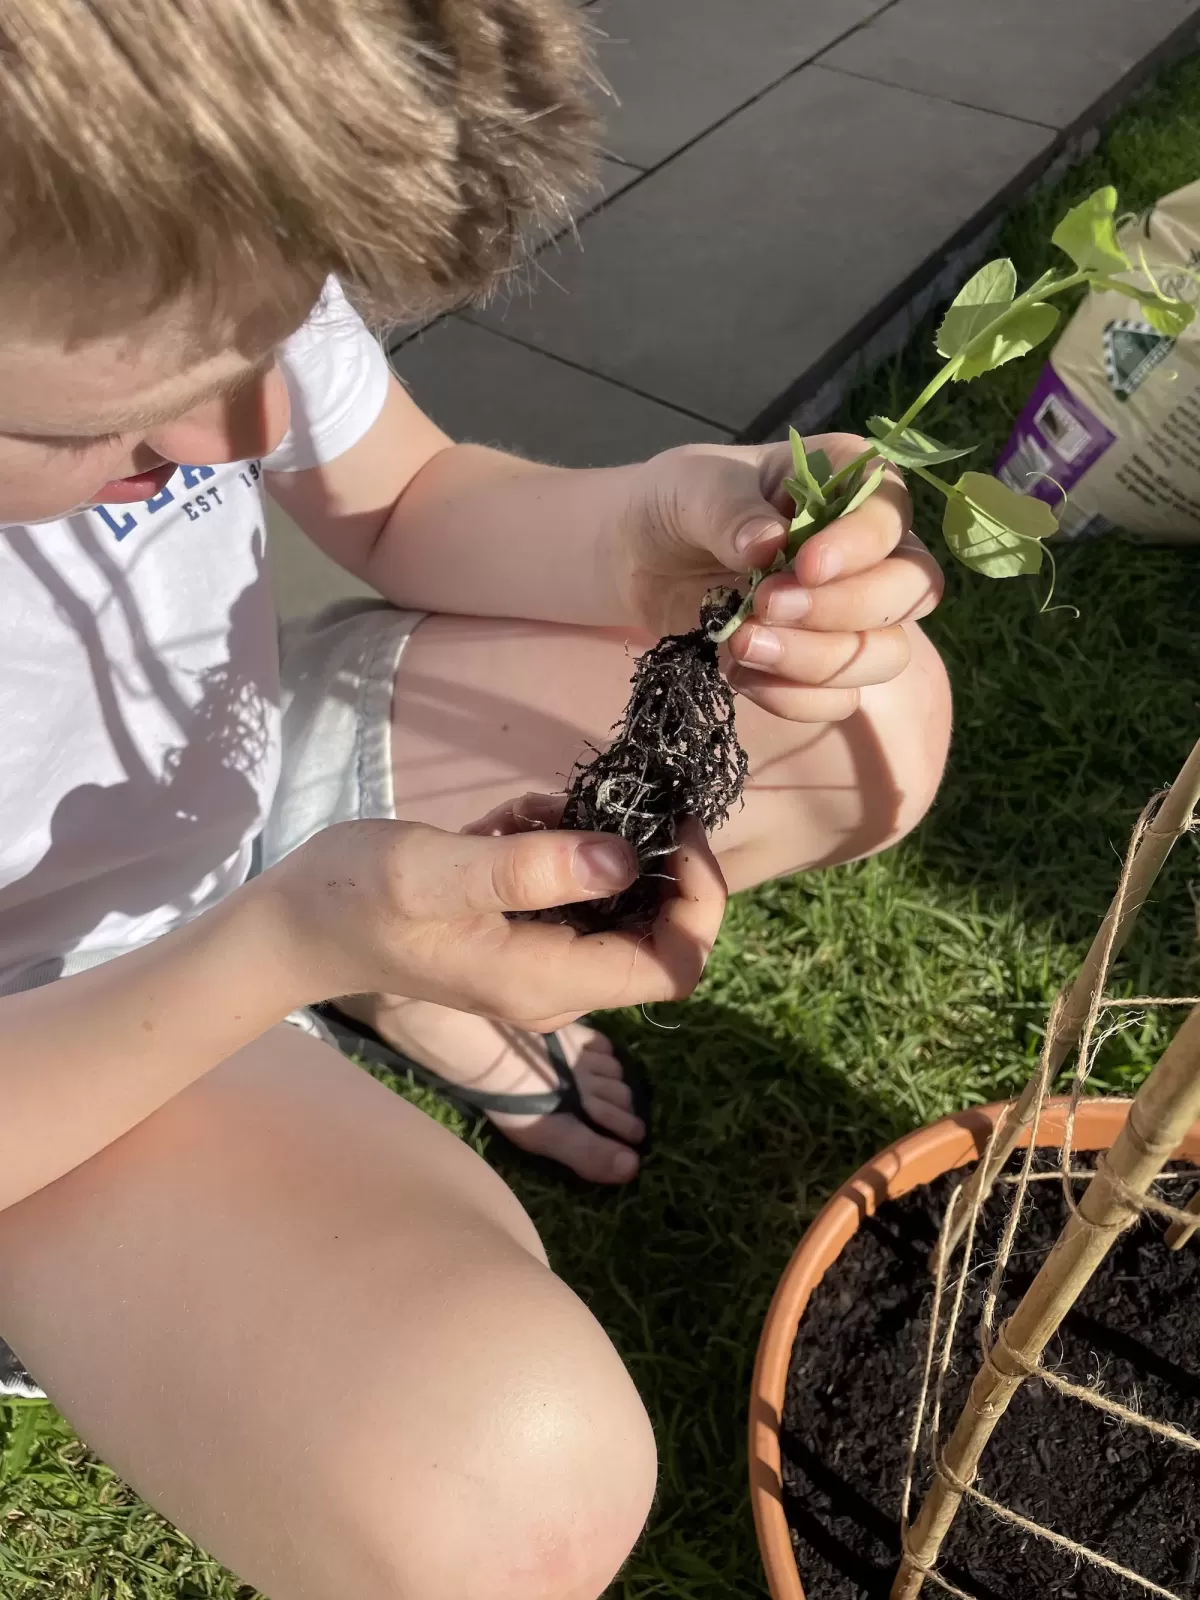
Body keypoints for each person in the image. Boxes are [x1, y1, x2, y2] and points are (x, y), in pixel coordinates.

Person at [0, 0, 951, 1595]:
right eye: (112, 422)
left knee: (870, 718)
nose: (253, 432)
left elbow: (411, 497)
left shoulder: (154, 236)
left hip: (223, 793)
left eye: (272, 339)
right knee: (504, 1493)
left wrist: (645, 526)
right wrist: (275, 951)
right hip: (52, 1043)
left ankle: (373, 966)